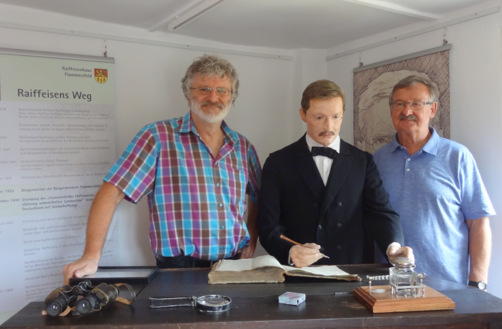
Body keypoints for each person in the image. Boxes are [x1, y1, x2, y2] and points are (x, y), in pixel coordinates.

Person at [63, 54, 261, 283]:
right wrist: (90, 256)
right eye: (204, 88)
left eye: (222, 91)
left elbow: (258, 194)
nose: (213, 97)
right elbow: (112, 191)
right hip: (178, 271)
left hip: (234, 267)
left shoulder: (243, 147)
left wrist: (252, 234)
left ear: (232, 97)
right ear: (188, 95)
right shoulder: (158, 138)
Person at [257, 79, 413, 268]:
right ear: (303, 114)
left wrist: (393, 246)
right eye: (319, 117)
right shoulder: (278, 163)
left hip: (352, 270)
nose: (328, 126)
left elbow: (381, 213)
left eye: (336, 117)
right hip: (299, 274)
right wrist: (289, 252)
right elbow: (268, 226)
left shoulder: (362, 161)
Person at [373, 75, 495, 289]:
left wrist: (478, 283)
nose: (407, 111)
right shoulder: (377, 160)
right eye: (399, 104)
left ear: (433, 109)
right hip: (387, 287)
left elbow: (478, 223)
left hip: (447, 288)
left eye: (416, 104)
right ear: (391, 109)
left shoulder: (457, 157)